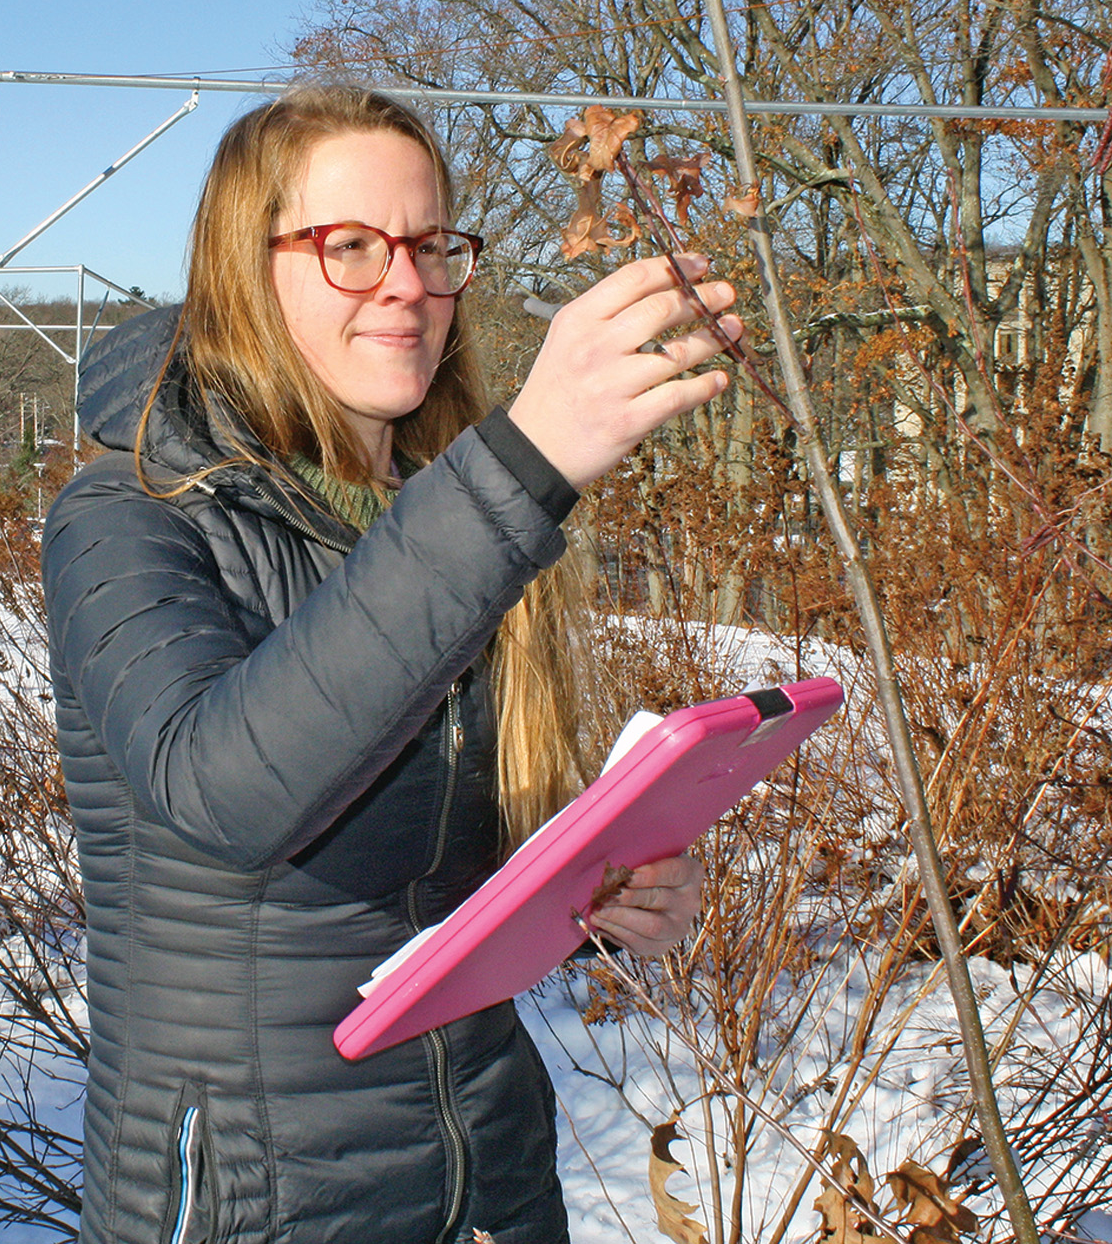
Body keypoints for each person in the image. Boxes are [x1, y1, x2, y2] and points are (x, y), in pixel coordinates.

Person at [41, 87, 741, 1244]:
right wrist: (519, 468)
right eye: (351, 247)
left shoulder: (428, 514)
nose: (407, 285)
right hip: (259, 1193)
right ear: (242, 269)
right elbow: (226, 791)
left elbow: (429, 858)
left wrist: (594, 885)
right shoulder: (126, 512)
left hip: (485, 1163)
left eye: (429, 246)